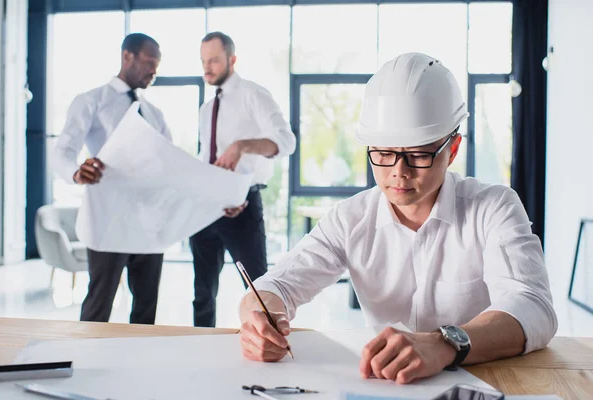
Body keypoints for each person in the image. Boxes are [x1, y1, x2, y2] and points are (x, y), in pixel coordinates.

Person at [238, 53, 557, 383]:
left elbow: (533, 306)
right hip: (390, 385)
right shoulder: (350, 219)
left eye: (419, 154)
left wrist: (444, 343)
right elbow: (275, 285)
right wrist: (258, 318)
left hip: (485, 380)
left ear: (454, 148)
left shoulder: (494, 207)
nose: (398, 172)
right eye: (384, 154)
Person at [53, 33, 171, 324]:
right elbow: (62, 152)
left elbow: (169, 161)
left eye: (157, 64)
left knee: (146, 308)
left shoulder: (154, 114)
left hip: (149, 223)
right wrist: (77, 171)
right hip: (109, 221)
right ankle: (88, 362)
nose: (154, 70)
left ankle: (140, 367)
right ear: (126, 56)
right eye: (149, 62)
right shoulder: (92, 101)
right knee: (99, 304)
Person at [191, 31, 296, 327]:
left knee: (258, 290)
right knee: (202, 293)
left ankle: (267, 347)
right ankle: (200, 348)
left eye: (213, 60)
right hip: (205, 206)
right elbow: (206, 156)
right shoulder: (206, 109)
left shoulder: (253, 94)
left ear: (232, 60)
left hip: (243, 205)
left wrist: (243, 145)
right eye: (203, 61)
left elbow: (286, 141)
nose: (207, 67)